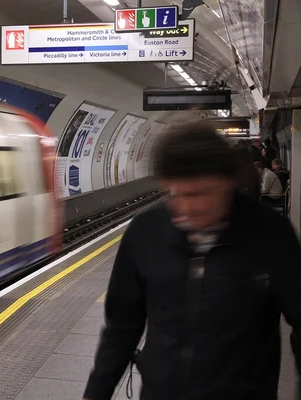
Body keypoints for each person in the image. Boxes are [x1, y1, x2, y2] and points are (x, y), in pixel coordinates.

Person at [83, 122, 301, 400]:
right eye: (177, 194)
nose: (186, 208)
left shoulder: (270, 234)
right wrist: (95, 392)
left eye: (199, 194)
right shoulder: (146, 231)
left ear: (227, 182)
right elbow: (122, 325)